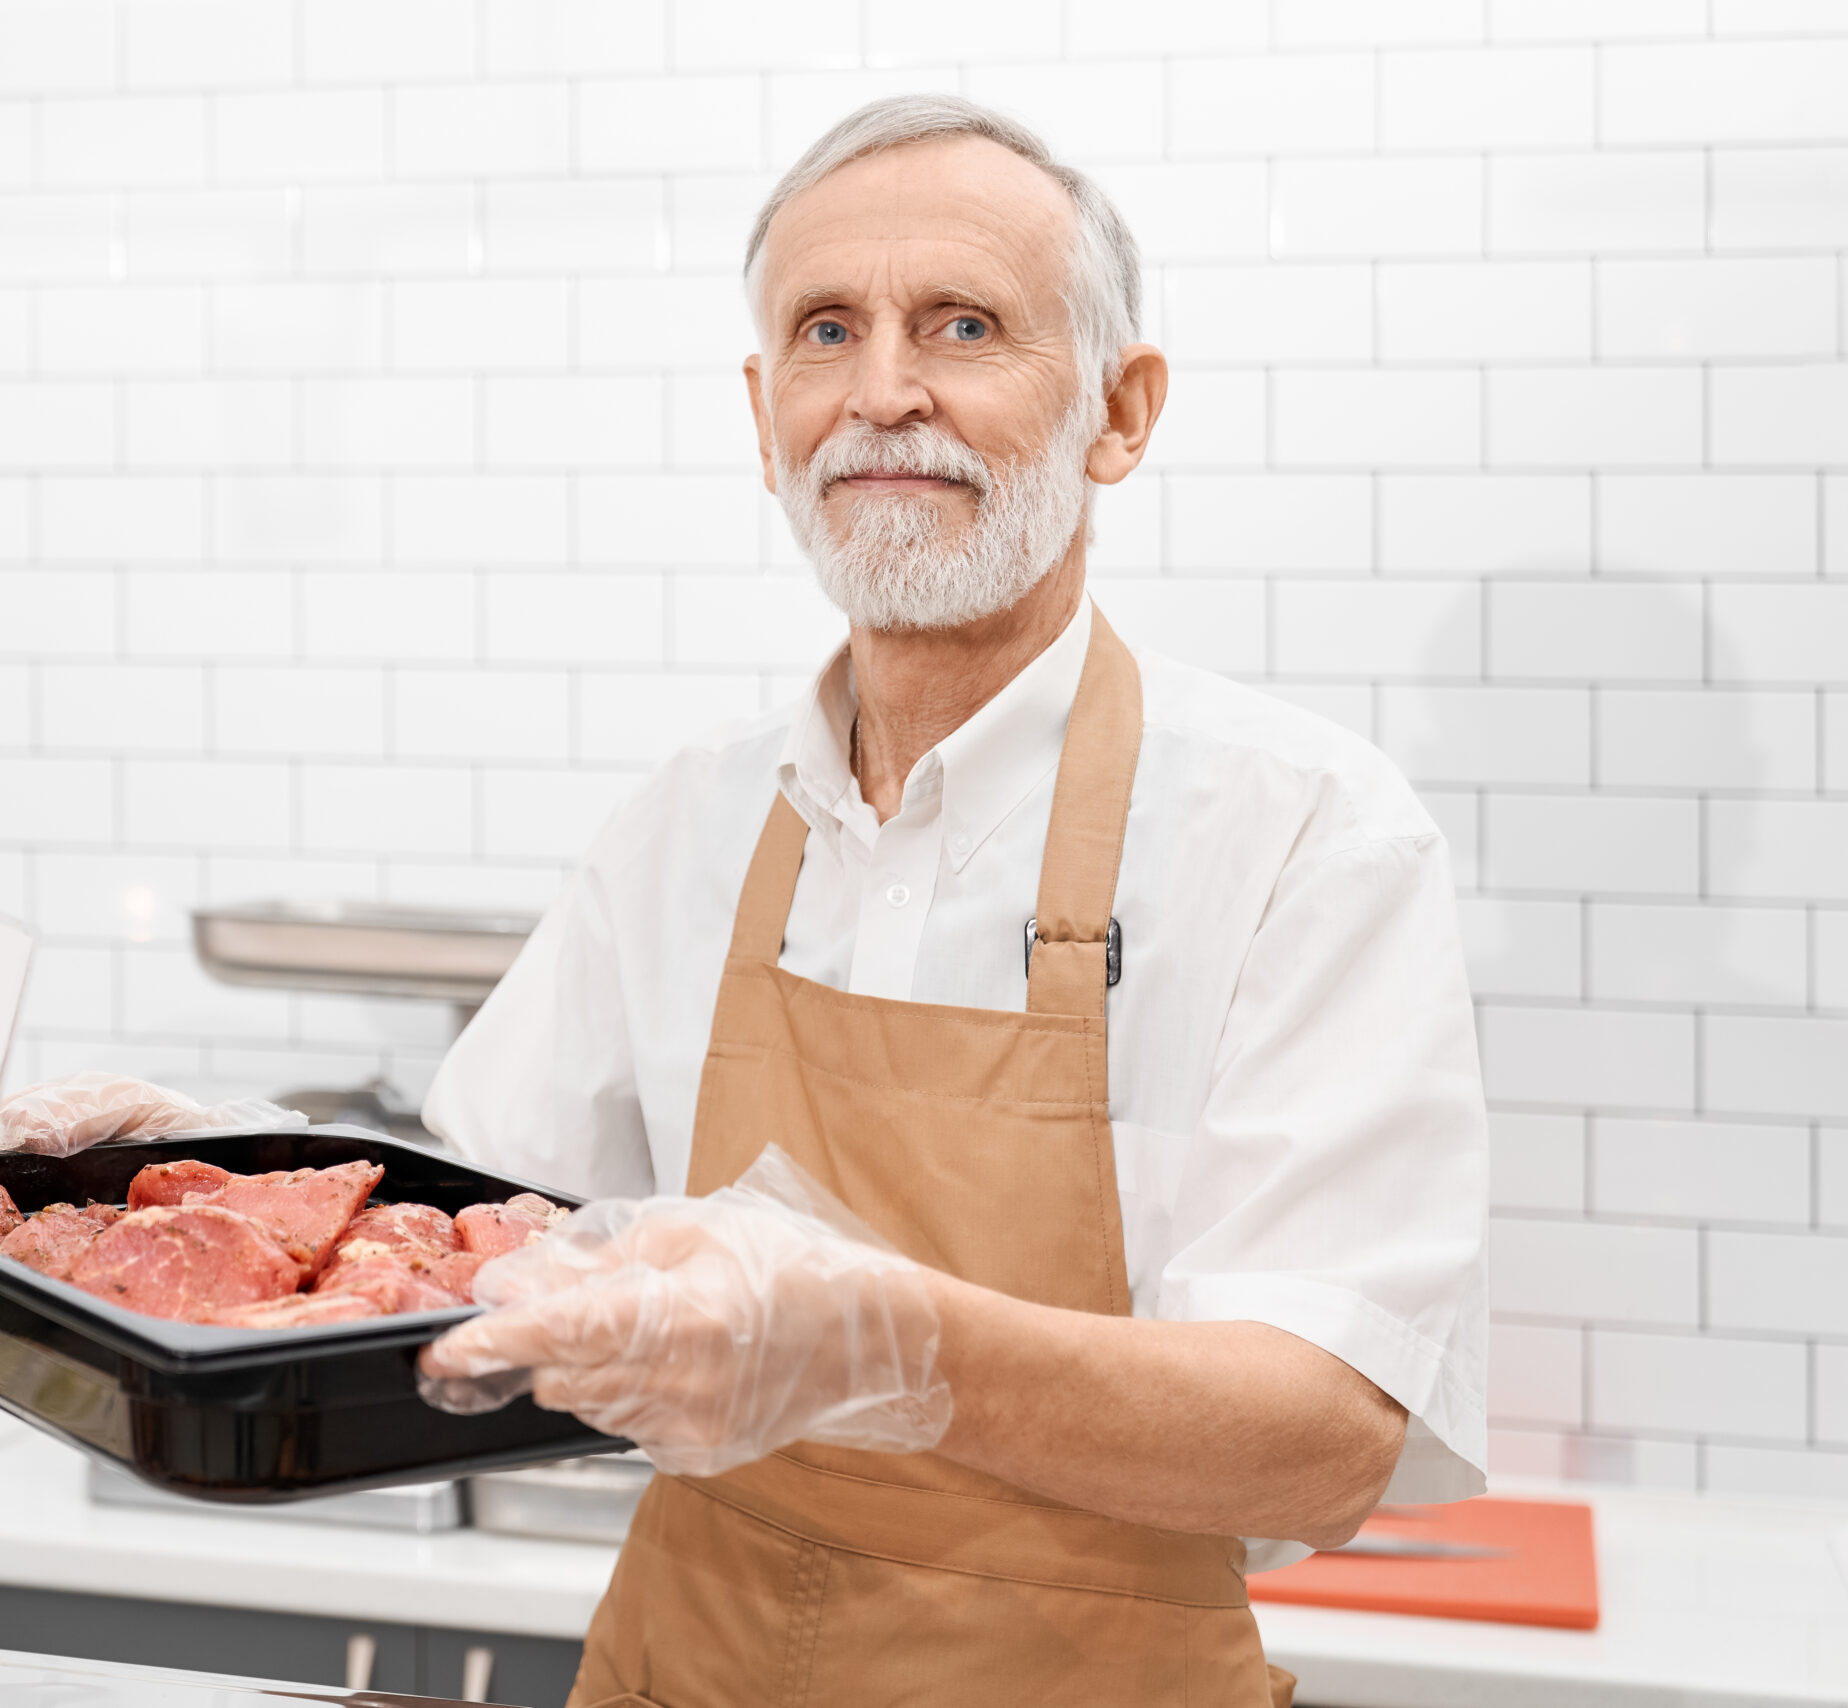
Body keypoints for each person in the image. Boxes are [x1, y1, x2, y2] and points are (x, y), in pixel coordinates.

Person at [416, 95, 1488, 1708]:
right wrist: (181, 1185)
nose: (883, 394)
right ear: (763, 409)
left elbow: (1323, 1440)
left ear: (1118, 414)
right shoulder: (684, 824)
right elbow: (475, 1244)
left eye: (964, 326)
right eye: (826, 331)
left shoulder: (1305, 836)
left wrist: (889, 1348)